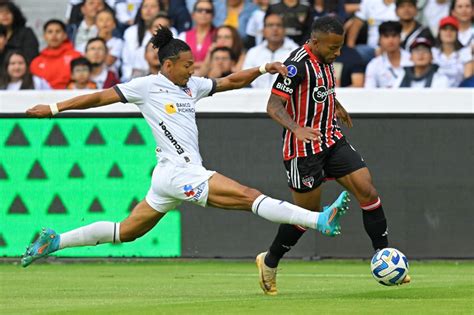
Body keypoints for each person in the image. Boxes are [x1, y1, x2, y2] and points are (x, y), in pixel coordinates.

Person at [21, 26, 350, 270]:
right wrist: (53, 109)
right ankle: (318, 219)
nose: (193, 69)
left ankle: (56, 240)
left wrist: (264, 68)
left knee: (128, 231)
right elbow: (98, 97)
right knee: (248, 196)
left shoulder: (190, 86)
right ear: (168, 65)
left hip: (168, 174)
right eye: (187, 65)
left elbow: (229, 81)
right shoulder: (147, 87)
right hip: (181, 172)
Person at [256, 16, 410, 296]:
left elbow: (317, 90)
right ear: (315, 42)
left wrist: (333, 103)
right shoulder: (296, 65)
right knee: (307, 215)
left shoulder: (324, 58)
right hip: (303, 151)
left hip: (331, 138)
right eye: (333, 47)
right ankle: (269, 260)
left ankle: (384, 257)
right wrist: (296, 128)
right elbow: (273, 105)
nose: (338, 53)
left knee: (368, 190)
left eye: (340, 47)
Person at [243, 12, 298, 88]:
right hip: (254, 97)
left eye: (279, 25)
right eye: (270, 25)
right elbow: (245, 79)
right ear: (263, 31)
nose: (275, 29)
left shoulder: (295, 52)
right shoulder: (253, 52)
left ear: (284, 30)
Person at [30, 19, 82, 89]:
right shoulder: (36, 62)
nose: (54, 35)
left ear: (65, 35)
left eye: (58, 31)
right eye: (50, 32)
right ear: (44, 36)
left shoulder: (76, 57)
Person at [121, 0, 161, 82]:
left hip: (160, 76)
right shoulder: (130, 32)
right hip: (135, 78)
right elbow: (126, 61)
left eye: (153, 6)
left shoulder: (169, 30)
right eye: (145, 6)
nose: (148, 10)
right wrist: (129, 78)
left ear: (160, 10)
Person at [364, 21, 412, 88]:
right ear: (379, 39)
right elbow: (369, 91)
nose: (391, 40)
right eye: (386, 36)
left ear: (400, 38)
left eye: (394, 35)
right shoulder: (374, 65)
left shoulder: (412, 60)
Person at [431, 16, 472, 87]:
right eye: (445, 29)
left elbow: (467, 77)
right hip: (435, 91)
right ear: (439, 32)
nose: (448, 32)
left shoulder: (465, 52)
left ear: (457, 33)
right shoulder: (432, 52)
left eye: (452, 29)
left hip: (460, 91)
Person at [178, 0, 216, 72]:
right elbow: (178, 61)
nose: (203, 13)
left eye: (208, 11)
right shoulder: (183, 36)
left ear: (213, 16)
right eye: (199, 10)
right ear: (193, 15)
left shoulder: (219, 35)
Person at [95, 8, 124, 75]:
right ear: (96, 24)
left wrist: (101, 39)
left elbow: (108, 61)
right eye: (101, 20)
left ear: (114, 24)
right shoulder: (90, 42)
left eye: (108, 20)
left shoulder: (118, 42)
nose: (105, 23)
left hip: (111, 77)